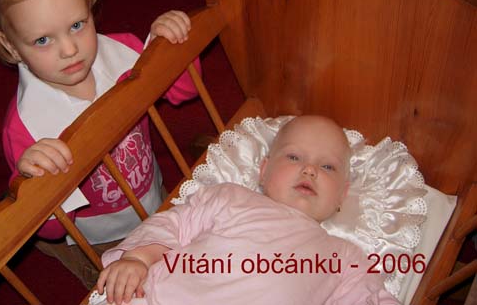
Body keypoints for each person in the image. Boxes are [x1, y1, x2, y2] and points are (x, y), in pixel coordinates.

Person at [0, 0, 200, 288]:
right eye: (42, 40)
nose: (69, 49)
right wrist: (35, 182)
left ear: (89, 7)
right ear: (10, 46)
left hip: (153, 196)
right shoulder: (26, 126)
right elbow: (52, 226)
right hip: (98, 239)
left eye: (77, 25)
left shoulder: (123, 50)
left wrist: (170, 45)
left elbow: (185, 90)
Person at [96, 115, 400, 305]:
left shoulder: (344, 256)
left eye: (327, 166)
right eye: (294, 157)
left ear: (342, 196)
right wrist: (138, 258)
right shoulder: (231, 197)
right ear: (263, 171)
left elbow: (369, 297)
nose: (310, 170)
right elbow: (174, 224)